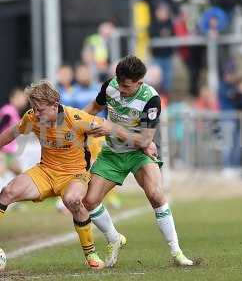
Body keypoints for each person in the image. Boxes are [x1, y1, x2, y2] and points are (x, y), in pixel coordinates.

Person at [0, 81, 106, 270]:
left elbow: (108, 128)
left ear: (55, 104)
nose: (36, 113)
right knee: (8, 191)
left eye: (40, 109)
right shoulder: (33, 117)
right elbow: (11, 133)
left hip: (74, 175)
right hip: (45, 171)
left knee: (73, 200)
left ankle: (91, 254)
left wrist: (140, 143)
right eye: (34, 108)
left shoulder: (76, 118)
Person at [82, 55, 193, 267]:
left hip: (138, 154)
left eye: (126, 86)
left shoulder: (151, 99)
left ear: (139, 82)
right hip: (112, 153)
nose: (121, 90)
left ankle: (176, 252)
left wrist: (112, 128)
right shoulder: (110, 86)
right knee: (89, 202)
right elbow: (91, 110)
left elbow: (144, 140)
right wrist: (70, 122)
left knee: (156, 194)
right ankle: (114, 239)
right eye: (119, 83)